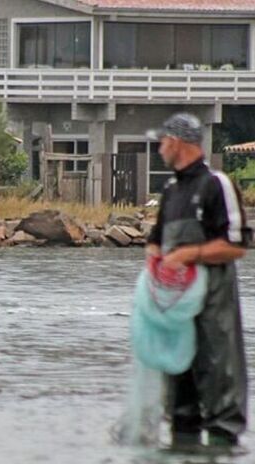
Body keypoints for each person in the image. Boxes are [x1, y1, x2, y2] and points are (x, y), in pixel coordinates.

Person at [146, 113, 250, 447]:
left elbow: (236, 247)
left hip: (214, 309)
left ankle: (222, 446)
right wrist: (154, 265)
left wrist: (187, 255)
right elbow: (156, 241)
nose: (159, 148)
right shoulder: (172, 190)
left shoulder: (216, 184)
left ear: (177, 142)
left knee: (220, 389)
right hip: (176, 312)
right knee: (180, 403)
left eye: (162, 142)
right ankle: (183, 440)